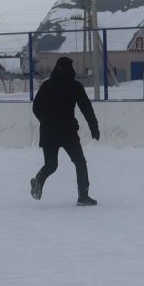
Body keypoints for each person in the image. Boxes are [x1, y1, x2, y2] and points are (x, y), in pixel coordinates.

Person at [31, 56, 99, 205]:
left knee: (51, 165)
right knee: (80, 162)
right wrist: (94, 127)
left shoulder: (46, 85)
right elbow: (86, 109)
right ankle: (83, 196)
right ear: (71, 70)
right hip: (67, 132)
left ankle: (38, 180)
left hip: (49, 132)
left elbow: (35, 108)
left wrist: (45, 121)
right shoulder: (75, 86)